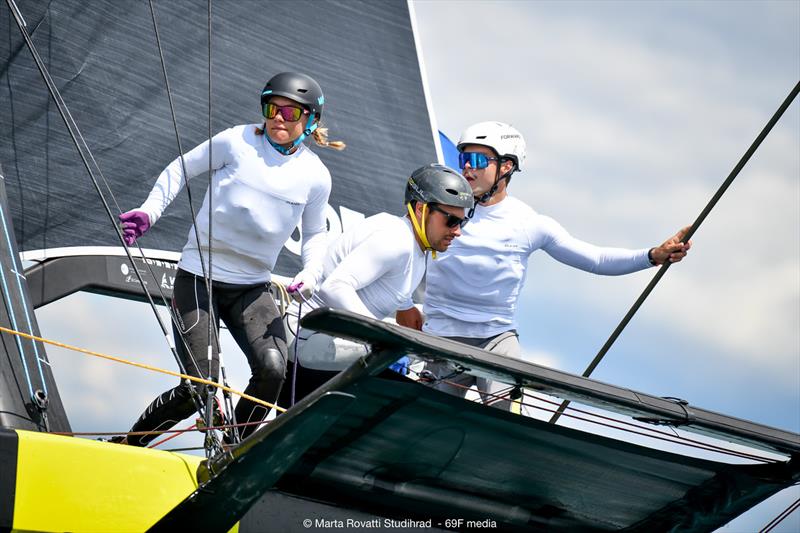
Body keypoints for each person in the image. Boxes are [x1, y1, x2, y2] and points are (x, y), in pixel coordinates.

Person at [117, 72, 344, 445]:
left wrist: (312, 271)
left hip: (252, 288)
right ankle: (128, 446)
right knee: (199, 388)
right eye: (273, 108)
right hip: (198, 278)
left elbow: (316, 234)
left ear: (311, 122)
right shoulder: (235, 141)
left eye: (290, 113)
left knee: (272, 370)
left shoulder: (316, 177)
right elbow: (181, 169)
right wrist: (149, 211)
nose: (278, 118)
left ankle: (230, 447)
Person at [397, 121, 691, 410]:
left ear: (506, 167)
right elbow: (398, 253)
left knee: (507, 429)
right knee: (419, 416)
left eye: (477, 159)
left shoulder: (530, 223)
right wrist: (404, 302)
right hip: (440, 337)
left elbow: (595, 259)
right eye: (464, 158)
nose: (467, 168)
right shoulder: (437, 209)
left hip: (496, 343)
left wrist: (652, 255)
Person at [278, 164, 474, 406]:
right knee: (401, 390)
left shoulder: (418, 251)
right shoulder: (395, 239)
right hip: (306, 340)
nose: (457, 232)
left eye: (461, 223)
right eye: (451, 221)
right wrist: (383, 341)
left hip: (329, 342)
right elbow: (335, 286)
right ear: (422, 209)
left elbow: (407, 315)